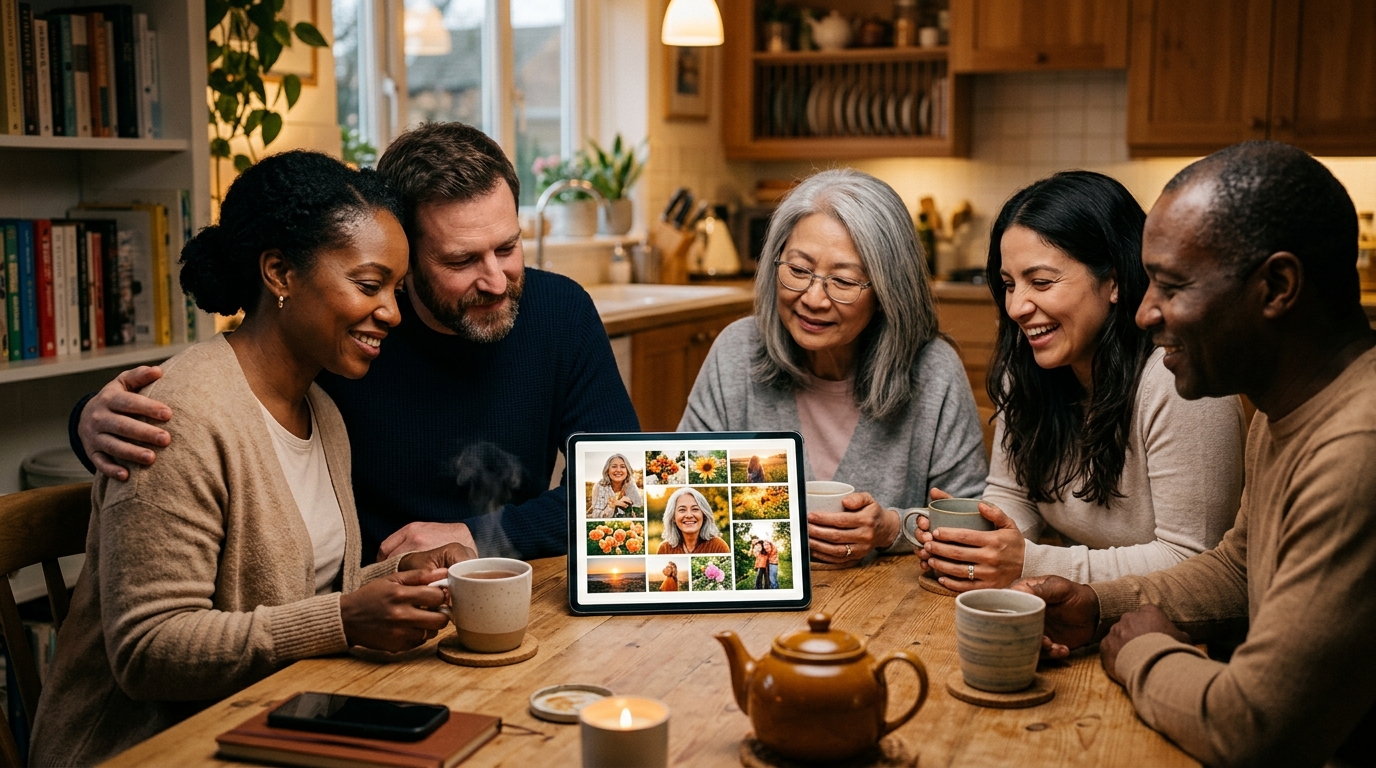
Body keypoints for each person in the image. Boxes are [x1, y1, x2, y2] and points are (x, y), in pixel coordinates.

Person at [29, 152, 475, 767]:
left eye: (396, 290)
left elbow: (289, 598)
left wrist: (398, 582)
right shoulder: (180, 417)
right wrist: (347, 618)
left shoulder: (323, 412)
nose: (393, 313)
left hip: (272, 723)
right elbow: (147, 650)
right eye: (370, 285)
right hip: (146, 748)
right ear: (279, 272)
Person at [68, 122, 639, 562]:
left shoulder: (559, 312)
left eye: (508, 247)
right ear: (403, 258)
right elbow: (212, 403)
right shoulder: (351, 328)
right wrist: (88, 419)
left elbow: (626, 491)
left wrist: (479, 534)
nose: (495, 280)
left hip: (509, 584)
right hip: (366, 608)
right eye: (462, 260)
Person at [1016, 141, 1376, 768]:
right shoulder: (1284, 408)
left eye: (1172, 286)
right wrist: (1099, 607)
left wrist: (1144, 651)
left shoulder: (1356, 450)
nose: (1146, 311)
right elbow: (1239, 569)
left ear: (1278, 287)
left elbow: (1255, 729)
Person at [916, 171, 1246, 591]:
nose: (1016, 306)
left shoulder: (1177, 383)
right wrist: (975, 542)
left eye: (1041, 282)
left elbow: (1193, 561)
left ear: (1114, 281)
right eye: (1008, 285)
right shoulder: (1031, 369)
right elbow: (1012, 495)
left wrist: (1028, 562)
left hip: (1173, 630)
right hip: (1078, 615)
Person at [680, 168, 986, 565]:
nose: (813, 298)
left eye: (842, 281)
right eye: (798, 270)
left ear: (888, 290)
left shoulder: (932, 370)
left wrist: (890, 529)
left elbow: (972, 523)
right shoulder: (736, 351)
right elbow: (683, 493)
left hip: (892, 614)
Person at [656, 487, 730, 554]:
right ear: (673, 517)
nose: (689, 515)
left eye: (695, 509)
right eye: (682, 510)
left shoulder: (718, 546)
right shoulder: (664, 549)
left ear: (704, 515)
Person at [588, 453, 644, 518]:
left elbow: (638, 508)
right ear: (607, 470)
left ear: (627, 470)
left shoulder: (630, 483)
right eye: (614, 466)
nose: (618, 470)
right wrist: (613, 505)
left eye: (623, 466)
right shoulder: (599, 486)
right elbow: (596, 516)